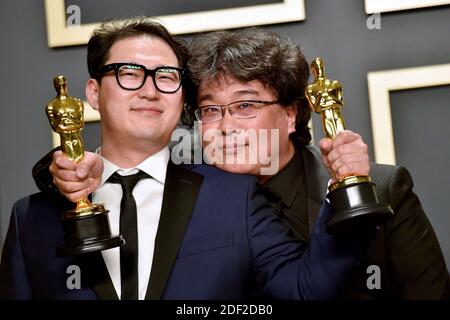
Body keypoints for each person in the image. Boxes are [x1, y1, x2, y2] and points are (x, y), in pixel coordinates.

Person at [44, 27, 449, 300]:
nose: (225, 126)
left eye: (244, 106)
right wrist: (72, 170)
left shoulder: (380, 185)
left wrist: (351, 185)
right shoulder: (193, 192)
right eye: (210, 110)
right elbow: (117, 179)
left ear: (291, 114)